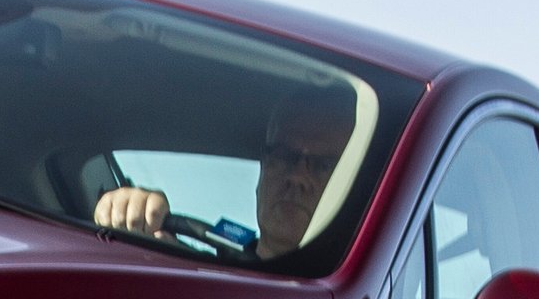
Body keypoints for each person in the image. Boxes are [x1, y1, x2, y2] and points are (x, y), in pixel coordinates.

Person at [90, 81, 359, 259]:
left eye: (324, 166)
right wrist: (135, 213)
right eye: (284, 156)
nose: (298, 176)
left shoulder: (359, 291)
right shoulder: (198, 272)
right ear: (262, 173)